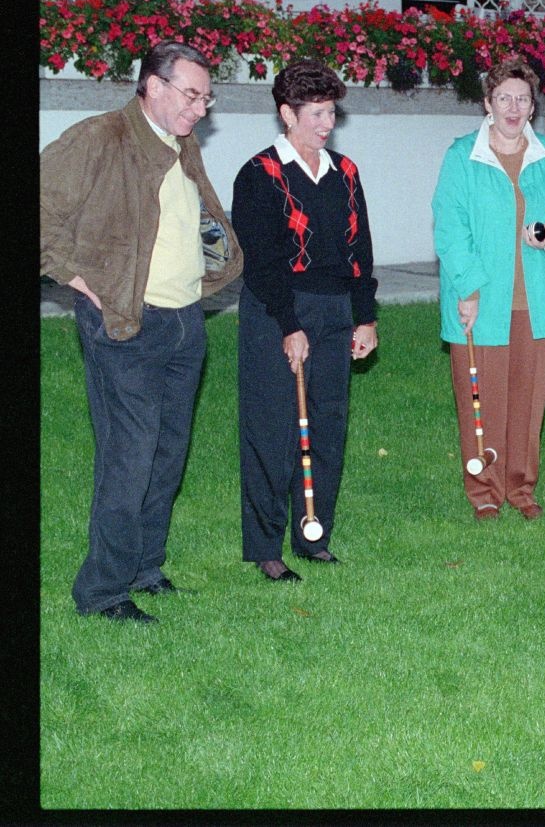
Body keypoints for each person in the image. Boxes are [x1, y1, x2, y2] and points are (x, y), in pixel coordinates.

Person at [41, 41, 243, 622]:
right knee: (128, 460)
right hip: (126, 323)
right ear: (152, 85)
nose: (201, 108)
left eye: (207, 97)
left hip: (183, 322)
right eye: (191, 94)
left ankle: (144, 567)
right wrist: (75, 276)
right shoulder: (99, 138)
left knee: (166, 456)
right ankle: (102, 591)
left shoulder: (179, 146)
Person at [232, 60, 378, 582]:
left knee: (327, 427)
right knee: (273, 429)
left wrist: (365, 316)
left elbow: (359, 250)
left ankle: (313, 534)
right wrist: (289, 325)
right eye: (315, 113)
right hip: (277, 312)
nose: (325, 124)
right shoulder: (259, 174)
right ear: (286, 114)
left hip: (335, 311)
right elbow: (263, 259)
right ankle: (266, 547)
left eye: (331, 113)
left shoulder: (346, 172)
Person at [432, 56, 545, 521]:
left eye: (522, 99)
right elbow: (450, 226)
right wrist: (469, 287)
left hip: (538, 301)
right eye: (504, 99)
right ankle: (484, 490)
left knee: (529, 400)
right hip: (482, 299)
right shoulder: (463, 155)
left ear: (533, 107)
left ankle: (521, 487)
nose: (514, 108)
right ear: (487, 104)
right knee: (482, 399)